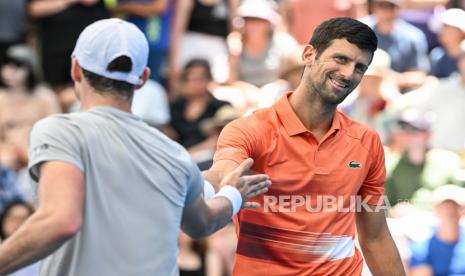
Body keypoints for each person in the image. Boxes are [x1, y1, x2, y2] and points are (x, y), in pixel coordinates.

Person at [0, 18, 271, 275]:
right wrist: (231, 195)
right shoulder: (174, 154)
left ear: (75, 68)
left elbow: (60, 221)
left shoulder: (60, 130)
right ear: (143, 77)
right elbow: (202, 223)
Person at [205, 17, 405, 275]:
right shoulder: (250, 130)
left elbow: (376, 237)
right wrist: (203, 186)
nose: (348, 74)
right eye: (341, 59)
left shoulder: (367, 142)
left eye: (359, 67)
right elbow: (222, 174)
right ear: (309, 54)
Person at [409, 184, 465, 275]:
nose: (450, 210)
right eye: (445, 206)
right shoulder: (422, 247)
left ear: (463, 210)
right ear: (436, 210)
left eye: (455, 206)